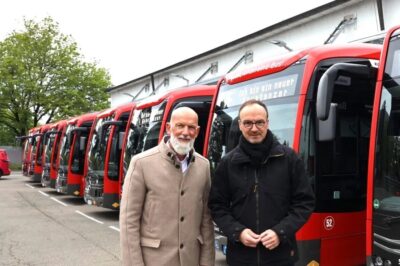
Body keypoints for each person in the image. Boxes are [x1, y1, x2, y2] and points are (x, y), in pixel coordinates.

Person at [208, 99, 315, 266]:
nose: (254, 128)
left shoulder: (289, 159)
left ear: (267, 123)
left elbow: (304, 203)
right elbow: (217, 206)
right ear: (240, 125)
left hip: (281, 256)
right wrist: (238, 232)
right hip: (240, 257)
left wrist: (280, 232)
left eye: (259, 122)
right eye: (248, 123)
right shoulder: (227, 163)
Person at [120, 107, 215, 266]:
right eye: (180, 125)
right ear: (169, 128)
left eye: (191, 127)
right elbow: (129, 221)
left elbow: (206, 220)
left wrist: (207, 262)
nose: (185, 132)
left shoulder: (203, 166)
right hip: (154, 261)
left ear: (197, 131)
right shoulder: (141, 163)